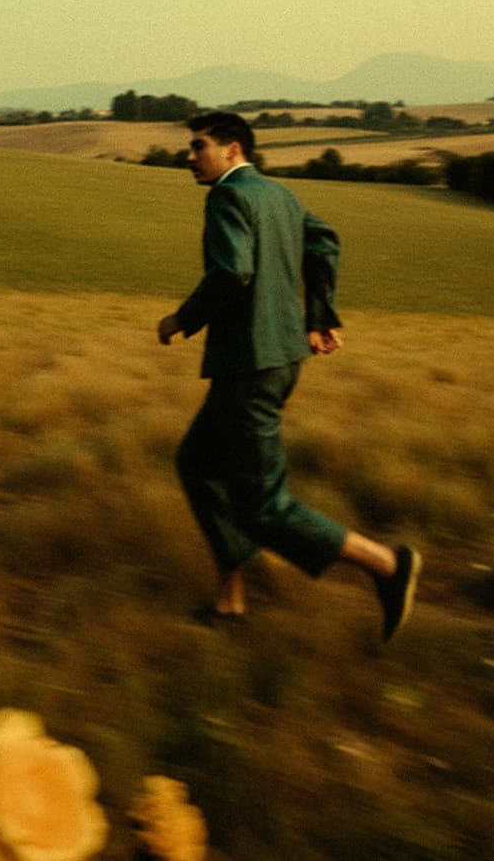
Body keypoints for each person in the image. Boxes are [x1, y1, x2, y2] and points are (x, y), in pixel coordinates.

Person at [157, 111, 420, 642]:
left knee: (264, 503)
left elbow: (233, 271)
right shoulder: (280, 195)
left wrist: (182, 319)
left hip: (250, 365)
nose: (189, 156)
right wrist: (320, 316)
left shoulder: (228, 196)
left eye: (199, 146)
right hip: (276, 359)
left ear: (233, 150)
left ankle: (389, 565)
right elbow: (324, 242)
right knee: (198, 462)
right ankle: (230, 600)